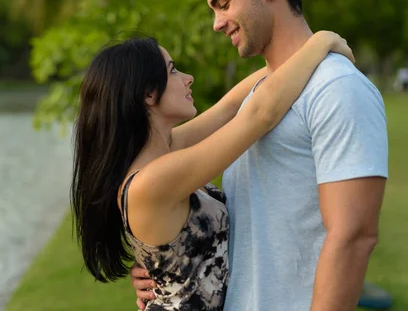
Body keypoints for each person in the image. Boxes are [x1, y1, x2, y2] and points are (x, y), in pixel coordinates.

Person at [131, 0, 388, 311]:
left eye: (223, 3)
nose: (217, 23)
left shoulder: (337, 88)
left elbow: (354, 236)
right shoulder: (257, 97)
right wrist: (168, 262)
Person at [72, 31, 354, 310]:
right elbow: (258, 116)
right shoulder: (152, 181)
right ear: (148, 93)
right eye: (172, 71)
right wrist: (322, 42)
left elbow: (230, 107)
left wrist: (295, 54)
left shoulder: (165, 152)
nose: (187, 78)